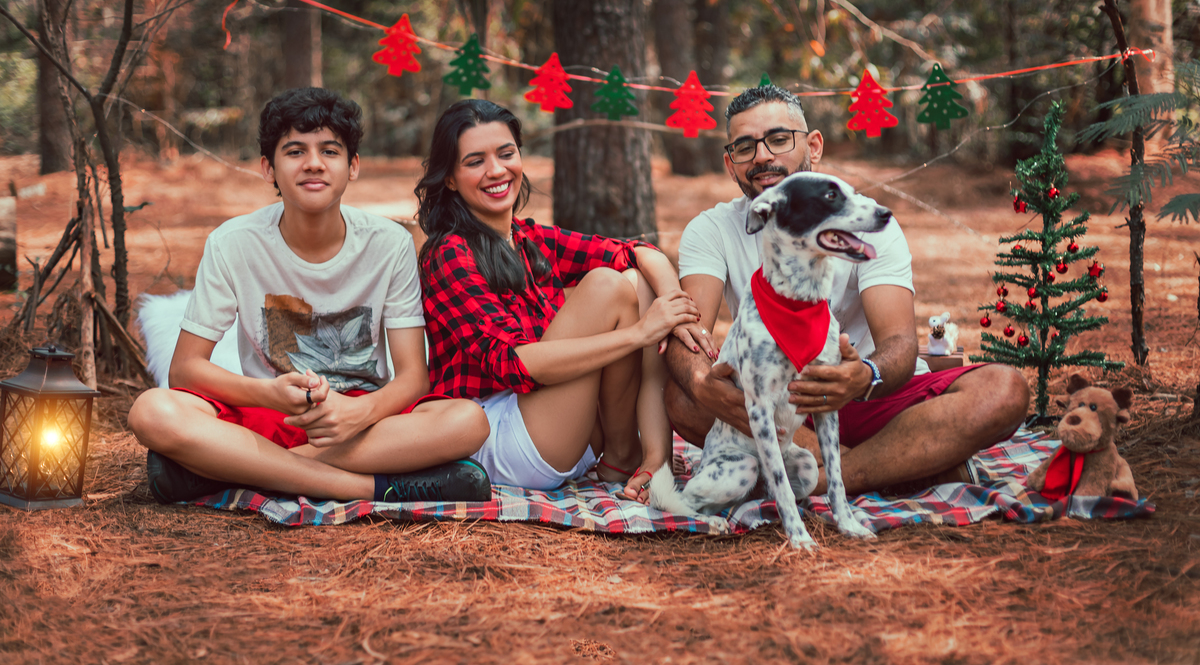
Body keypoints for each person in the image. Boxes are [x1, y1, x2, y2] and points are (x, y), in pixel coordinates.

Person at [128, 87, 492, 504]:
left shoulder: (389, 244)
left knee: (468, 421)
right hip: (266, 412)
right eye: (295, 151)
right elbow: (185, 370)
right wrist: (268, 393)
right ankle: (366, 488)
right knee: (152, 411)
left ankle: (232, 471)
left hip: (361, 423)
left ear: (353, 166)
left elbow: (413, 377)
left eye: (330, 151)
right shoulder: (232, 243)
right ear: (269, 168)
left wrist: (360, 413)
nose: (314, 164)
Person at [664, 84, 1030, 495]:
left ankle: (826, 478)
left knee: (1004, 390)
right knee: (682, 397)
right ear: (731, 165)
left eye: (779, 139)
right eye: (746, 147)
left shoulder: (868, 222)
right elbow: (686, 331)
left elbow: (899, 343)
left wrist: (865, 374)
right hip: (781, 407)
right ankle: (904, 463)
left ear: (814, 146)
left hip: (866, 395)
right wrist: (700, 384)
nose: (763, 155)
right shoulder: (711, 230)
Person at [416, 99, 706, 500]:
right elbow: (511, 363)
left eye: (506, 154)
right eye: (474, 161)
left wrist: (678, 309)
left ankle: (637, 456)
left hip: (554, 424)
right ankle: (625, 452)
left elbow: (638, 250)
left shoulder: (528, 238)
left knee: (636, 282)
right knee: (608, 286)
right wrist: (640, 333)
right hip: (497, 434)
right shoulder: (448, 253)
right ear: (449, 178)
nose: (496, 171)